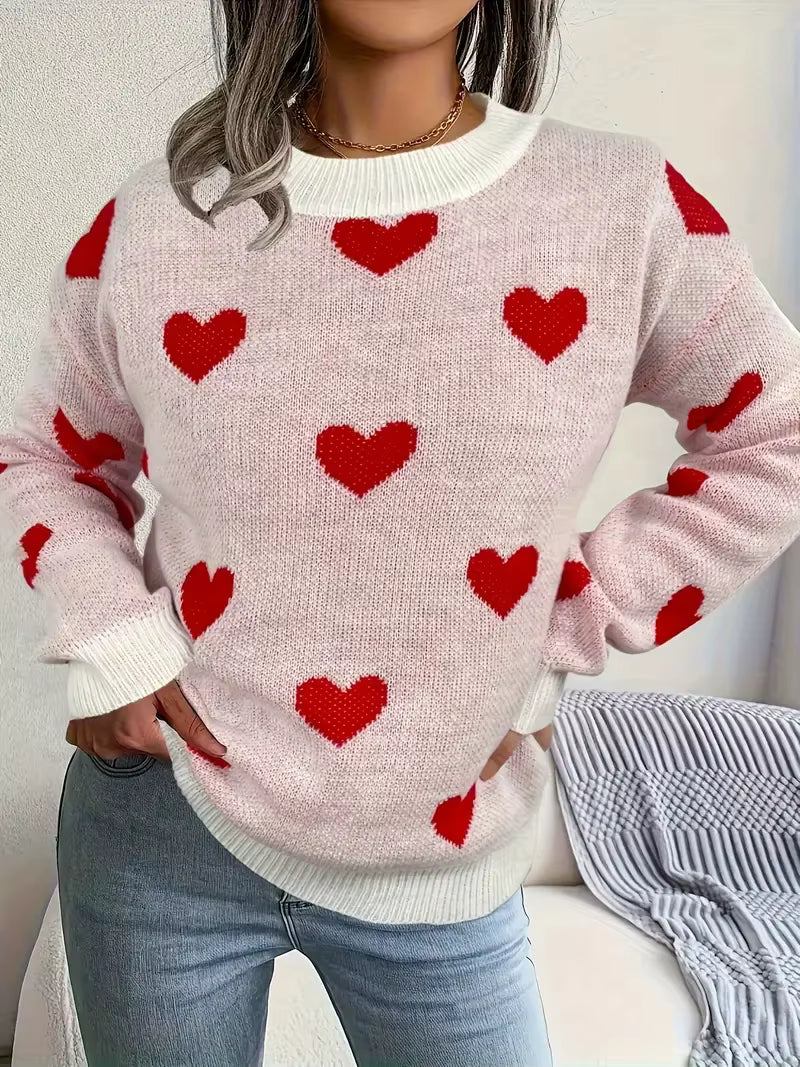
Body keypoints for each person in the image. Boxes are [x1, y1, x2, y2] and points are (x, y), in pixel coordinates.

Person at [2, 1, 800, 1065]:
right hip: (165, 832)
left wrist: (570, 616)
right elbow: (48, 455)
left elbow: (776, 429)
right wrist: (114, 639)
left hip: (443, 857)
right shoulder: (161, 219)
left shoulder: (618, 204)